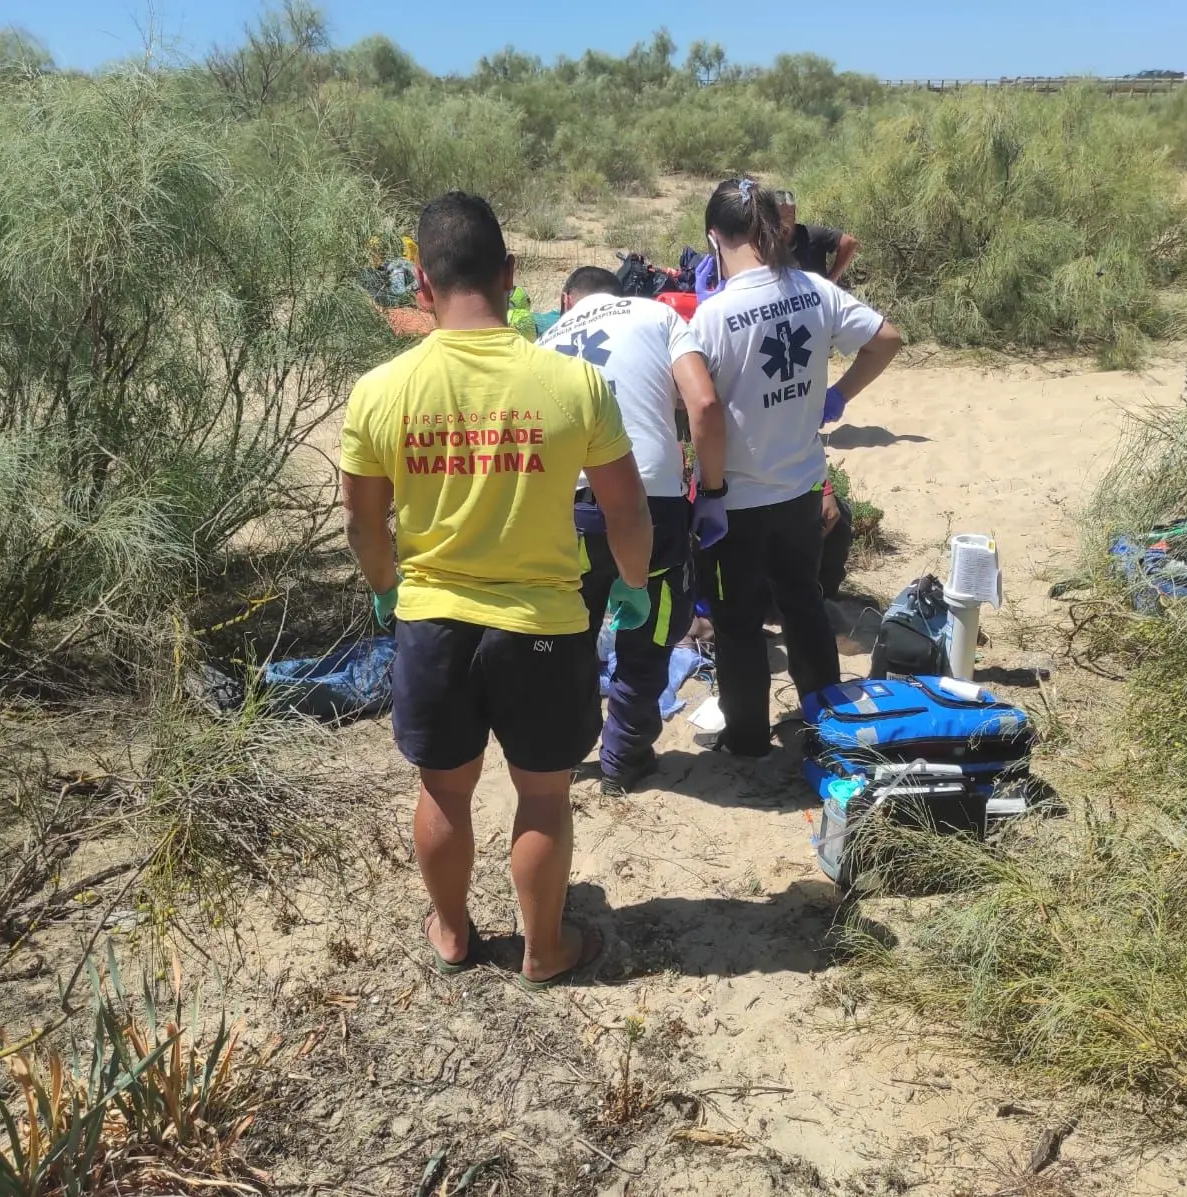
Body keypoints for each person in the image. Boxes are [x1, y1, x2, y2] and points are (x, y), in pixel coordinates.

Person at [341, 192, 654, 989]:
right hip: (544, 624)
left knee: (445, 790)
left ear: (421, 284)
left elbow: (365, 526)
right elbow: (626, 509)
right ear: (510, 275)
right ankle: (544, 949)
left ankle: (451, 930)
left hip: (434, 621)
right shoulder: (572, 383)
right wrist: (632, 585)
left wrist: (386, 588)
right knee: (544, 798)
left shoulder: (380, 391)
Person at [691, 178, 903, 757]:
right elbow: (887, 337)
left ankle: (749, 739)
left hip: (736, 499)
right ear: (773, 228)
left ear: (715, 237)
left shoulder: (713, 316)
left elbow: (703, 411)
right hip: (803, 487)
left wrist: (708, 490)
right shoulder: (814, 290)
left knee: (736, 625)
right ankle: (824, 726)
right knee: (803, 604)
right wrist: (839, 395)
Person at [538, 267, 727, 795]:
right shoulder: (658, 313)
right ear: (620, 295)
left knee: (570, 635)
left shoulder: (546, 338)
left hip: (568, 506)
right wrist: (711, 492)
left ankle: (564, 752)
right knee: (652, 630)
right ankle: (624, 757)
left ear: (565, 300)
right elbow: (704, 404)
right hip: (651, 501)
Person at [775, 189, 859, 284]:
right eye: (777, 218)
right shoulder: (765, 241)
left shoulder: (812, 234)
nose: (782, 223)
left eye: (787, 217)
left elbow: (849, 243)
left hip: (816, 295)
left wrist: (832, 279)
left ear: (794, 212)